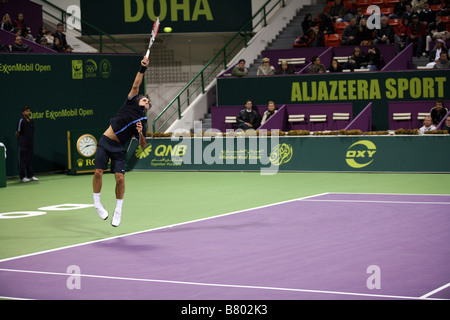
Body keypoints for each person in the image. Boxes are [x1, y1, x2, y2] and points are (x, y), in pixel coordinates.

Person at [93, 56, 151, 227]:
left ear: (147, 108)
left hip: (119, 149)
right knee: (98, 172)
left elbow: (142, 146)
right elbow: (136, 84)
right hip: (105, 141)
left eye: (148, 101)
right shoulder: (130, 102)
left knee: (120, 179)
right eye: (143, 99)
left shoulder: (143, 121)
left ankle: (118, 209)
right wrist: (142, 68)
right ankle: (97, 204)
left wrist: (140, 134)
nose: (145, 100)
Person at [16, 106, 38, 182]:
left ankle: (30, 175)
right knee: (22, 161)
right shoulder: (21, 120)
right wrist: (21, 141)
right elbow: (17, 132)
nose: (28, 112)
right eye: (26, 111)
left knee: (29, 160)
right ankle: (22, 177)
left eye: (29, 111)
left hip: (30, 144)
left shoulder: (31, 121)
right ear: (23, 112)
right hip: (22, 144)